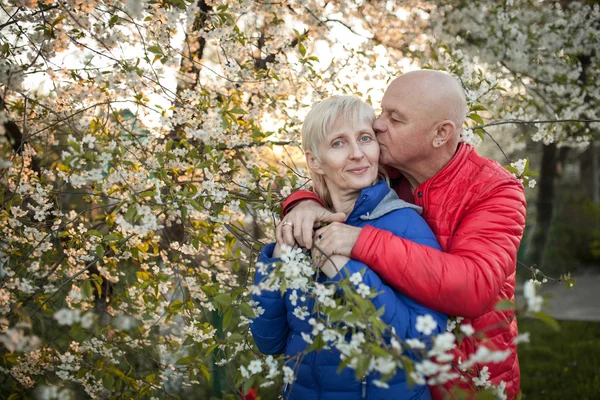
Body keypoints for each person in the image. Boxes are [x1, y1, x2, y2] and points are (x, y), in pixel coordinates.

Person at [277, 71, 527, 400]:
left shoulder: (495, 191)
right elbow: (331, 181)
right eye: (381, 112)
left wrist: (357, 240)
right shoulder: (386, 172)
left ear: (440, 134)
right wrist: (302, 203)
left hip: (464, 382)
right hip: (394, 380)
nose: (378, 125)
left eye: (394, 118)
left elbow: (474, 286)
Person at [251, 96, 447, 400]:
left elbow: (427, 344)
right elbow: (269, 341)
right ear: (314, 160)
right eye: (338, 143)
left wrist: (348, 272)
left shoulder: (406, 225)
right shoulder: (304, 227)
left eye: (365, 138)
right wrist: (277, 261)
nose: (357, 154)